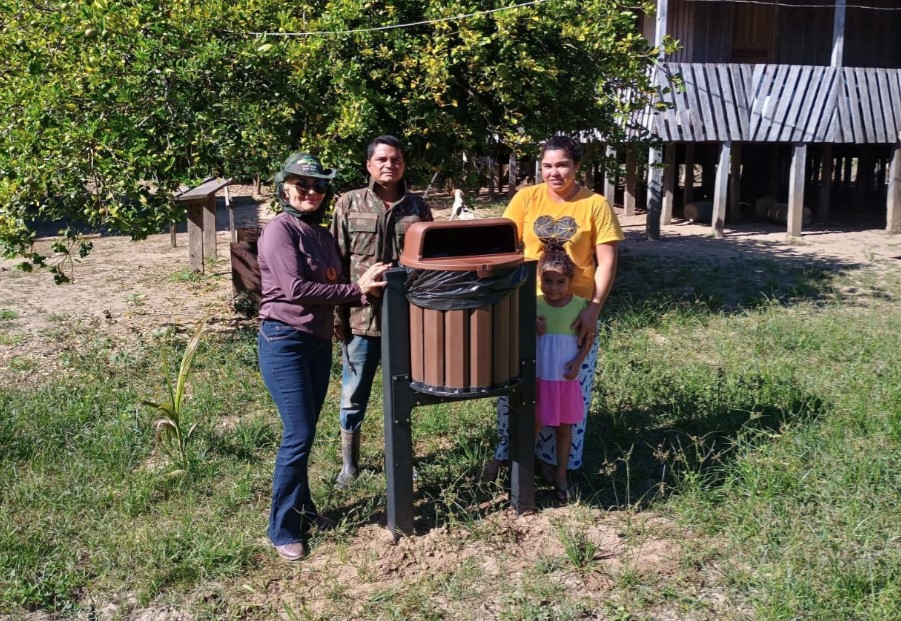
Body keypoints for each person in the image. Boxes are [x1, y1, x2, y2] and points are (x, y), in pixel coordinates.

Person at [257, 153, 389, 561]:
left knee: (306, 431)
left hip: (314, 342)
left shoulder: (317, 233)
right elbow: (295, 289)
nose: (311, 192)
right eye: (302, 185)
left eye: (318, 186)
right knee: (297, 435)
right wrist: (357, 292)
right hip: (285, 342)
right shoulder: (280, 231)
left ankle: (304, 511)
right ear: (285, 190)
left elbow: (332, 277)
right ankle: (281, 530)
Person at [481, 135, 624, 483]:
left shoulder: (595, 205)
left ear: (577, 166)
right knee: (516, 386)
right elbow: (503, 246)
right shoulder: (525, 198)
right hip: (528, 310)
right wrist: (509, 303)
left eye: (562, 165)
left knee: (566, 386)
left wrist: (593, 309)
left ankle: (555, 463)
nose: (554, 172)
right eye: (547, 165)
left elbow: (606, 261)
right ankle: (509, 453)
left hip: (574, 317)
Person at [330, 135, 433, 488]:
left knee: (402, 391)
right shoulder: (348, 204)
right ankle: (349, 464)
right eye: (383, 159)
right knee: (353, 392)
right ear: (369, 165)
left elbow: (431, 263)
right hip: (361, 321)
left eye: (397, 159)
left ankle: (403, 456)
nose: (390, 165)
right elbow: (336, 263)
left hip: (407, 319)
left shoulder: (418, 208)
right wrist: (336, 315)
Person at [534, 239, 592, 501]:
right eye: (548, 281)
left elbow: (588, 338)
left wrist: (578, 362)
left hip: (565, 379)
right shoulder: (532, 304)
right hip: (538, 377)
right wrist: (530, 326)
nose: (553, 288)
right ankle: (525, 474)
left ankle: (561, 473)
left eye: (560, 282)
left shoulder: (580, 306)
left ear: (570, 281)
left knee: (564, 428)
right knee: (533, 424)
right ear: (539, 279)